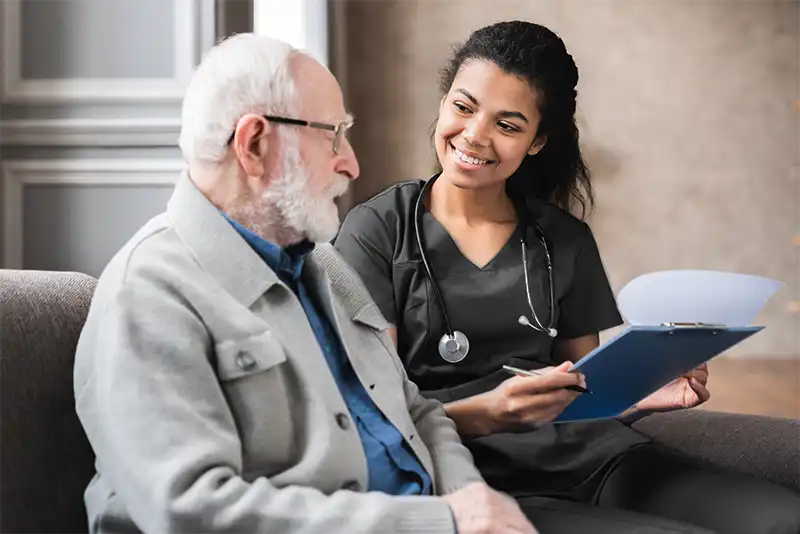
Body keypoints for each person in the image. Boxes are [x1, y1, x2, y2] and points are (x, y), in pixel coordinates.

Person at [334, 20, 800, 534]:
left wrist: (641, 391)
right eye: (463, 107)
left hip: (591, 456)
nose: (474, 134)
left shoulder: (563, 239)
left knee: (781, 518)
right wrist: (489, 412)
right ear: (443, 102)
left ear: (537, 142)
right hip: (471, 475)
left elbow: (584, 387)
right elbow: (370, 409)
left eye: (508, 125)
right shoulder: (378, 230)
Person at [72, 33, 541, 534]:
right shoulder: (147, 292)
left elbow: (415, 409)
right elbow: (192, 511)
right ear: (254, 144)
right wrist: (436, 521)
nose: (351, 163)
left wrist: (472, 501)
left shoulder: (326, 264)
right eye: (333, 135)